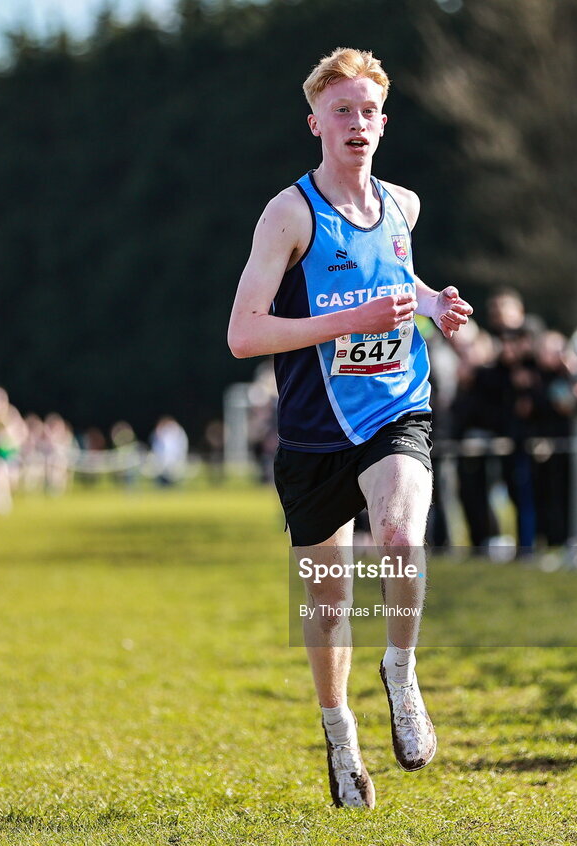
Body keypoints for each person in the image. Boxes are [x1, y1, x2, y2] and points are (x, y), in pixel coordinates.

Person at [227, 47, 473, 809]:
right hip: (310, 438)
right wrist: (352, 319)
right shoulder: (289, 213)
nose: (357, 124)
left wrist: (434, 305)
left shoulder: (405, 205)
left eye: (368, 111)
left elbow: (401, 283)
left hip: (396, 408)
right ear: (317, 125)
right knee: (326, 601)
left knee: (400, 537)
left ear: (383, 123)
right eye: (343, 112)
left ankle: (401, 674)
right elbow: (244, 333)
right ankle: (339, 739)